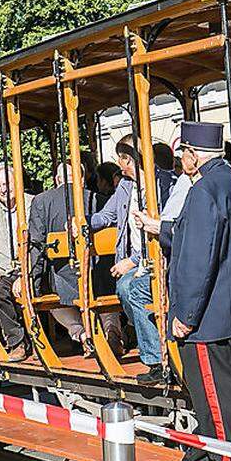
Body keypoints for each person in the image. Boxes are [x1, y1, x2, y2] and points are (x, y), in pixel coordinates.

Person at [166, 121, 231, 461]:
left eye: (183, 152)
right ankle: (201, 456)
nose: (182, 159)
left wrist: (185, 315)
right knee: (210, 392)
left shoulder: (203, 190)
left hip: (205, 316)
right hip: (226, 309)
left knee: (215, 397)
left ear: (194, 153)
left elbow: (198, 261)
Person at [91, 135, 176, 384]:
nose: (119, 164)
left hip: (159, 259)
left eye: (123, 158)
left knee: (130, 287)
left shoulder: (163, 183)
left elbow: (163, 227)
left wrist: (134, 259)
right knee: (125, 287)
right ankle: (152, 345)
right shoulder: (126, 186)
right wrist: (83, 223)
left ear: (133, 159)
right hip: (137, 263)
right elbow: (107, 215)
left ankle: (155, 358)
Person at [27, 163, 123, 356]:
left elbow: (36, 246)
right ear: (82, 179)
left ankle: (79, 332)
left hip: (64, 276)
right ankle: (112, 330)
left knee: (53, 296)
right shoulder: (101, 199)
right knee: (104, 291)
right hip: (100, 274)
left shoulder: (42, 201)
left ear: (57, 180)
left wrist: (32, 284)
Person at [0, 162, 34, 361]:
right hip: (4, 272)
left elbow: (38, 244)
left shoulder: (32, 203)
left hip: (32, 269)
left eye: (6, 184)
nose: (3, 190)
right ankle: (17, 341)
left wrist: (25, 274)